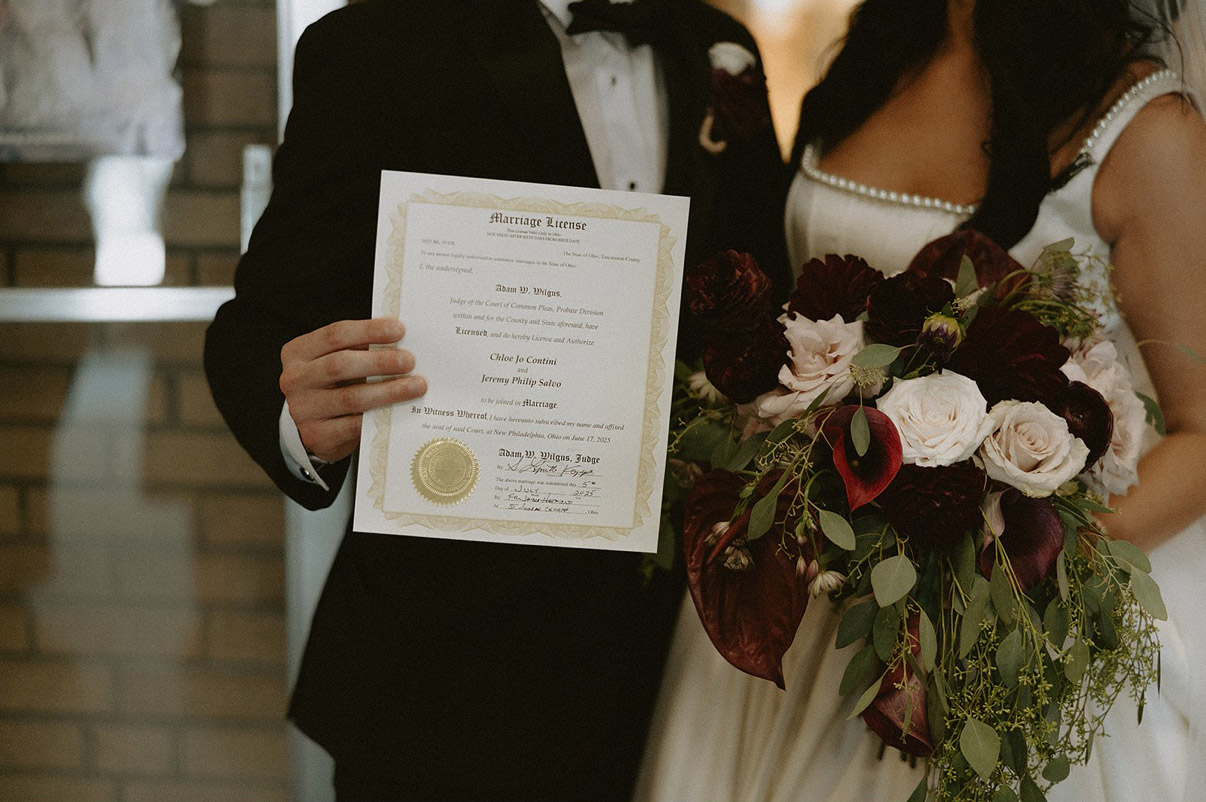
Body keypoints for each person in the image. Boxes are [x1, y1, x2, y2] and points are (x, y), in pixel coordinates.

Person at [204, 0, 790, 799]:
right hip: (447, 679)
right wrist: (294, 416)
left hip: (678, 667)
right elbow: (257, 328)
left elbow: (765, 293)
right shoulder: (375, 47)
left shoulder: (717, 46)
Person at [637, 1, 1206, 800]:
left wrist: (996, 576)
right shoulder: (878, 57)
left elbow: (1203, 429)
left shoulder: (1143, 126)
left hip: (984, 616)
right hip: (805, 586)